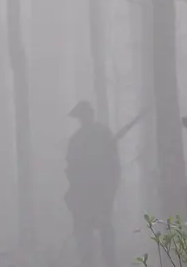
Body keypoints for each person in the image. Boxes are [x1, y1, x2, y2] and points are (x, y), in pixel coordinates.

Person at [64, 101, 121, 267]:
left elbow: (114, 167)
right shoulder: (76, 140)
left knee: (105, 230)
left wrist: (111, 189)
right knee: (84, 235)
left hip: (101, 193)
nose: (83, 119)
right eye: (81, 117)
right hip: (83, 195)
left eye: (85, 115)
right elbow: (71, 169)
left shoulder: (103, 135)